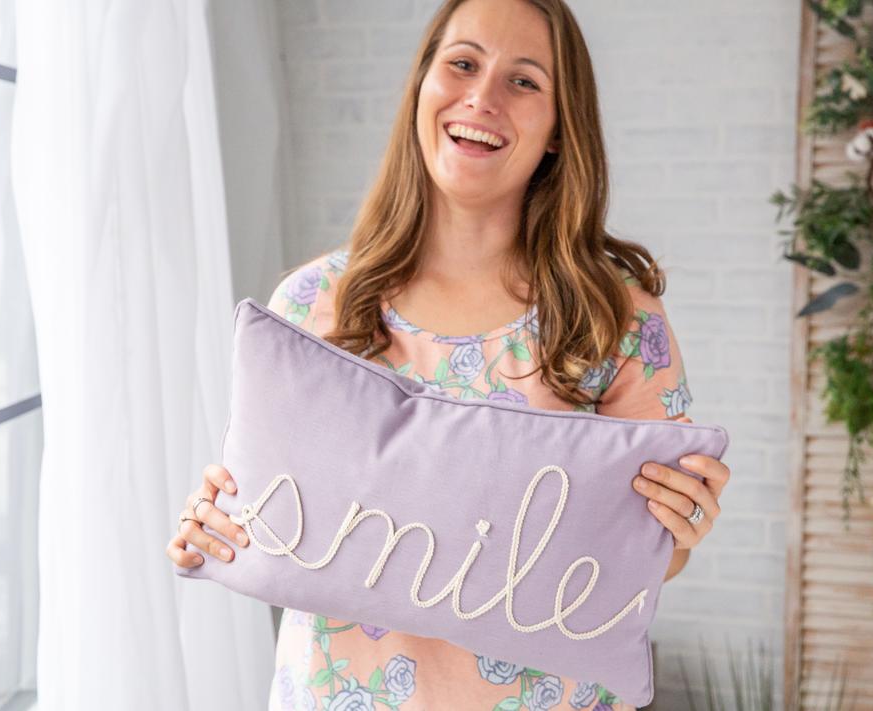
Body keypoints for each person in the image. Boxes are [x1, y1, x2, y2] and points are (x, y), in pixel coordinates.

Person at [165, 0, 731, 708]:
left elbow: (650, 560)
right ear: (421, 88)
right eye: (462, 64)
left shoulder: (617, 320)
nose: (482, 98)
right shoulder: (310, 306)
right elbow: (275, 518)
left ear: (560, 129)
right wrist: (218, 523)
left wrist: (682, 530)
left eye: (523, 81)